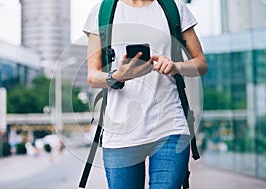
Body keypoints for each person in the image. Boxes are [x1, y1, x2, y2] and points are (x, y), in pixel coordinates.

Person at [83, 0, 208, 188]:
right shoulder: (102, 12)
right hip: (120, 132)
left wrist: (175, 66)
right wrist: (118, 76)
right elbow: (93, 76)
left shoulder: (174, 8)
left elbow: (201, 64)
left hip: (170, 125)